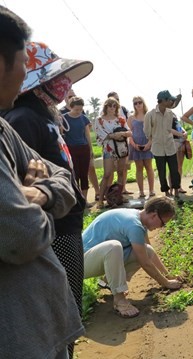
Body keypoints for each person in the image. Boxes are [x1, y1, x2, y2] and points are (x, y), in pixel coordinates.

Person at [0, 7, 84, 358]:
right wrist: (42, 205)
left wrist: (39, 192)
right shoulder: (20, 118)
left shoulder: (9, 126)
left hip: (60, 232)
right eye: (21, 61)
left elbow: (59, 175)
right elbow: (22, 235)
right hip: (21, 328)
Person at [83, 196, 182, 318]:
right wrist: (166, 283)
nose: (161, 227)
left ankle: (108, 282)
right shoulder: (134, 225)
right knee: (113, 247)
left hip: (96, 258)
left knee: (147, 250)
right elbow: (145, 263)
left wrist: (168, 275)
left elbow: (148, 254)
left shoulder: (139, 218)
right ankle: (119, 300)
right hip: (80, 263)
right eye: (163, 224)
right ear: (154, 215)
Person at [144, 90, 184, 198]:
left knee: (174, 170)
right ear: (163, 101)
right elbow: (147, 131)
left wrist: (180, 134)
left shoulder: (170, 113)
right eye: (170, 100)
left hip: (170, 145)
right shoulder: (150, 114)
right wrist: (153, 138)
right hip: (157, 148)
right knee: (162, 172)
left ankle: (176, 191)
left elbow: (169, 129)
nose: (171, 102)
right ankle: (166, 192)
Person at [94, 97, 132, 207]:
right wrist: (112, 135)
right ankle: (100, 200)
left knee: (121, 172)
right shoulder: (99, 120)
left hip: (121, 149)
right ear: (105, 107)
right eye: (109, 105)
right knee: (107, 174)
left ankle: (118, 196)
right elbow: (100, 135)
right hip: (109, 149)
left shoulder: (120, 119)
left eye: (114, 106)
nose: (112, 108)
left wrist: (122, 134)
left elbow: (129, 132)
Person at [63, 96, 93, 201]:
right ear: (71, 107)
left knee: (84, 175)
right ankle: (76, 200)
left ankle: (84, 200)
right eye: (76, 109)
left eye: (81, 109)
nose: (78, 112)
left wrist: (91, 148)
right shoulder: (64, 118)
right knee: (74, 175)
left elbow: (87, 134)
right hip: (71, 149)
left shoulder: (84, 118)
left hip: (84, 148)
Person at [127, 96, 155, 198]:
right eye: (135, 103)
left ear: (143, 103)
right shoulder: (131, 118)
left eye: (139, 102)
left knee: (149, 167)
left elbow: (153, 132)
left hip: (148, 143)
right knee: (139, 168)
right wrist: (134, 145)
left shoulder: (149, 116)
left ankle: (151, 190)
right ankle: (141, 191)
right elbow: (128, 133)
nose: (138, 105)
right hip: (136, 144)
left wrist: (149, 144)